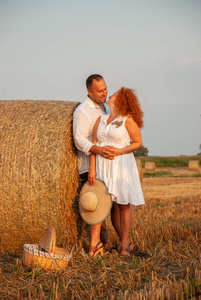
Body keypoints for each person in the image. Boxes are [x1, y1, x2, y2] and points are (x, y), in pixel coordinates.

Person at [88, 87, 148, 257]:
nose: (110, 94)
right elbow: (94, 144)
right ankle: (108, 243)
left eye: (114, 94)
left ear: (121, 100)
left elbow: (138, 142)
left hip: (121, 165)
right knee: (105, 204)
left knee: (123, 204)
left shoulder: (126, 120)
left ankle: (124, 246)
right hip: (102, 166)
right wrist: (92, 168)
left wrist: (119, 151)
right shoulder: (101, 119)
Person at [73, 74, 116, 256]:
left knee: (104, 203)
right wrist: (97, 150)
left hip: (103, 165)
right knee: (95, 205)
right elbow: (79, 139)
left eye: (105, 88)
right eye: (100, 91)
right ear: (89, 92)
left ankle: (104, 242)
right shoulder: (82, 111)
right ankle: (94, 245)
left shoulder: (104, 108)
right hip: (89, 167)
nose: (104, 93)